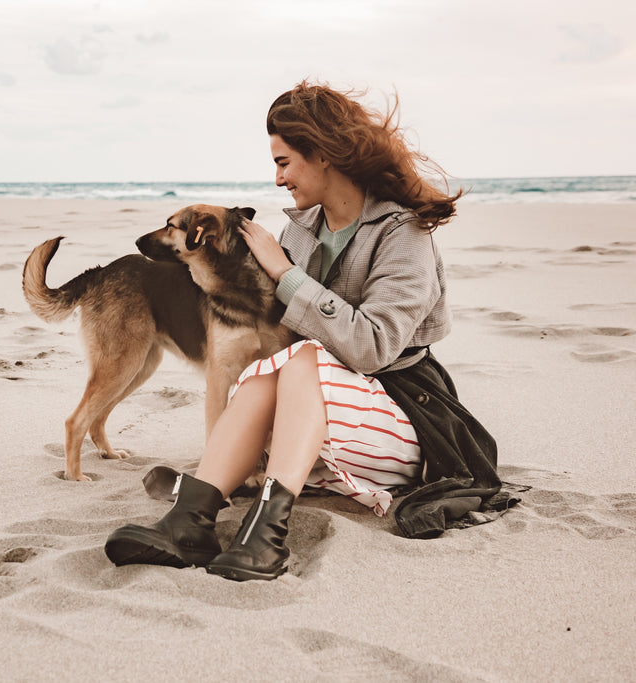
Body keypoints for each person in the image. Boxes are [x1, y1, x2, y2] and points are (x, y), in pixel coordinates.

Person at [103, 80, 501, 581]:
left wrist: (284, 274)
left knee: (302, 358)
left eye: (284, 161)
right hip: (319, 411)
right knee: (278, 364)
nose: (277, 178)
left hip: (408, 420)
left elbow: (372, 348)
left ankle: (266, 535)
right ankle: (191, 522)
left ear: (324, 154)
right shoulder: (302, 227)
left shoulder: (404, 233)